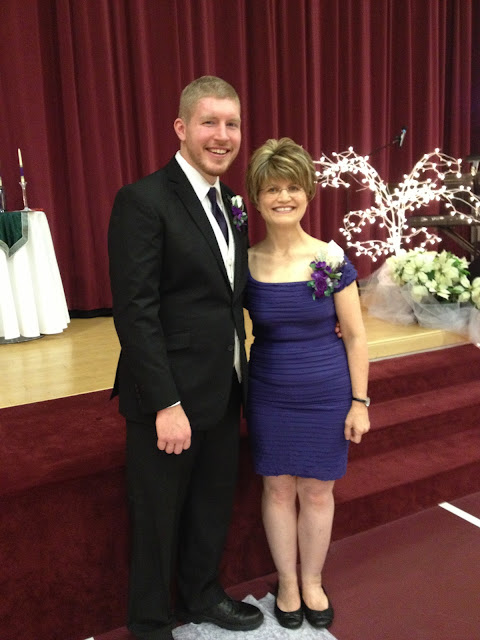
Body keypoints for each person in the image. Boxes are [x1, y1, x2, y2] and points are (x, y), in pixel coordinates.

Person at [108, 76, 263, 640]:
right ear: (181, 127)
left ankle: (202, 594)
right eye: (209, 122)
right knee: (156, 517)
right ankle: (150, 623)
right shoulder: (143, 200)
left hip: (223, 385)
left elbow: (228, 293)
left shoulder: (231, 203)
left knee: (210, 504)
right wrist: (166, 403)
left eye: (232, 124)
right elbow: (136, 312)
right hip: (169, 395)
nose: (223, 136)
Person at [244, 137, 370, 631]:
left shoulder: (330, 258)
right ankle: (287, 583)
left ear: (308, 193)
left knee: (317, 491)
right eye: (272, 188)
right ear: (257, 198)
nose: (284, 197)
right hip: (270, 392)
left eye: (293, 187)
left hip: (325, 391)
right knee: (277, 488)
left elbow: (355, 336)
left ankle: (313, 580)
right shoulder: (245, 262)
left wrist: (359, 402)